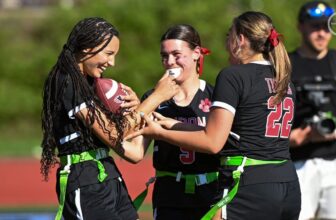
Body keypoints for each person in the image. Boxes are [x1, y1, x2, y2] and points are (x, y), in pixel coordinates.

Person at [128, 11, 301, 220]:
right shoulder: (283, 79)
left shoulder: (233, 76)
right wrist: (173, 123)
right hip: (287, 182)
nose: (226, 42)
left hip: (250, 184)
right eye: (164, 56)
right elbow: (232, 133)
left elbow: (213, 142)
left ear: (240, 40)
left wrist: (160, 132)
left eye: (229, 35)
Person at [40, 17, 177, 220]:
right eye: (109, 54)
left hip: (109, 176)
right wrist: (157, 97)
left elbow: (134, 153)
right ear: (88, 48)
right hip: (85, 182)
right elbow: (115, 134)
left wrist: (136, 109)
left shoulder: (89, 84)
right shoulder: (66, 81)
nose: (112, 62)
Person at [139, 24, 220, 220]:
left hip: (210, 193)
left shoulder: (216, 95)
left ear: (196, 53)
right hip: (170, 195)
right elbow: (135, 150)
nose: (170, 62)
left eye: (177, 54)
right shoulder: (153, 98)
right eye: (164, 56)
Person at [289, 1, 336, 219]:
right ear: (300, 26)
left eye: (326, 27)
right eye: (315, 26)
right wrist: (292, 137)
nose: (321, 34)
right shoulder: (286, 65)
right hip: (298, 161)